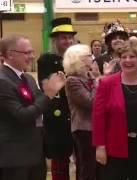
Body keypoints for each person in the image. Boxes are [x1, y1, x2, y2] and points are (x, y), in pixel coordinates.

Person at [0, 35, 66, 180]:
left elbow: (40, 107)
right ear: (10, 54)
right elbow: (22, 115)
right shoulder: (2, 81)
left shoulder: (27, 78)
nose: (32, 56)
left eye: (32, 52)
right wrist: (48, 94)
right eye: (27, 53)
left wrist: (54, 93)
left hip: (35, 154)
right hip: (15, 158)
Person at [93, 41, 137, 180]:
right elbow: (99, 117)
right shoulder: (106, 83)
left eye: (132, 57)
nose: (128, 60)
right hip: (115, 147)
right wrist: (100, 146)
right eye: (124, 57)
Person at [37, 17, 76, 180]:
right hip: (57, 117)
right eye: (63, 38)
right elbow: (48, 87)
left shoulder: (77, 57)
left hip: (77, 114)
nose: (67, 41)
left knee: (82, 159)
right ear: (55, 39)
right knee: (59, 161)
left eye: (69, 37)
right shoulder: (46, 60)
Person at [63, 44, 100, 180]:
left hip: (94, 127)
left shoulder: (88, 77)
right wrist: (98, 80)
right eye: (89, 56)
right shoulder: (72, 80)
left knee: (94, 167)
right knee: (87, 167)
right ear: (78, 59)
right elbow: (91, 102)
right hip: (84, 129)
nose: (92, 58)